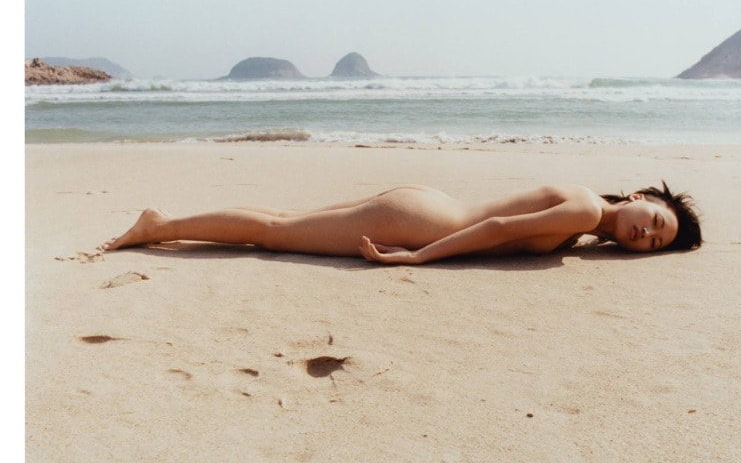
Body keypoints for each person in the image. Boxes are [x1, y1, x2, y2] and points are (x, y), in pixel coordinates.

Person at [101, 181, 701, 264]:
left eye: (656, 240)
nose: (645, 234)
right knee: (274, 232)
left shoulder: (589, 220)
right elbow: (493, 233)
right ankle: (159, 227)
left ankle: (164, 222)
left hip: (422, 209)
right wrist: (416, 257)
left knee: (283, 222)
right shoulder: (589, 210)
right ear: (644, 195)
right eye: (655, 219)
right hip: (419, 223)